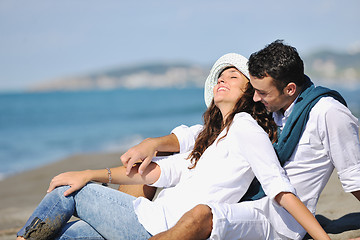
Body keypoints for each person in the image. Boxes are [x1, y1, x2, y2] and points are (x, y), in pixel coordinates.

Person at [16, 53, 330, 240]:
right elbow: (154, 174)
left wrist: (321, 237)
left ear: (250, 93)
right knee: (71, 235)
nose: (222, 79)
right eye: (220, 76)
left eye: (233, 77)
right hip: (149, 218)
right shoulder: (214, 137)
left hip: (159, 226)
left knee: (68, 193)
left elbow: (280, 188)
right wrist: (92, 172)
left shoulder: (246, 128)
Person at [122, 41, 360, 240]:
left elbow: (355, 178)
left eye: (262, 93)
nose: (255, 98)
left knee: (201, 215)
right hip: (245, 200)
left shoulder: (328, 114)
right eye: (254, 90)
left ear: (289, 89)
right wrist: (153, 142)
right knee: (152, 161)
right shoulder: (271, 107)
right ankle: (123, 226)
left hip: (277, 218)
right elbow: (204, 134)